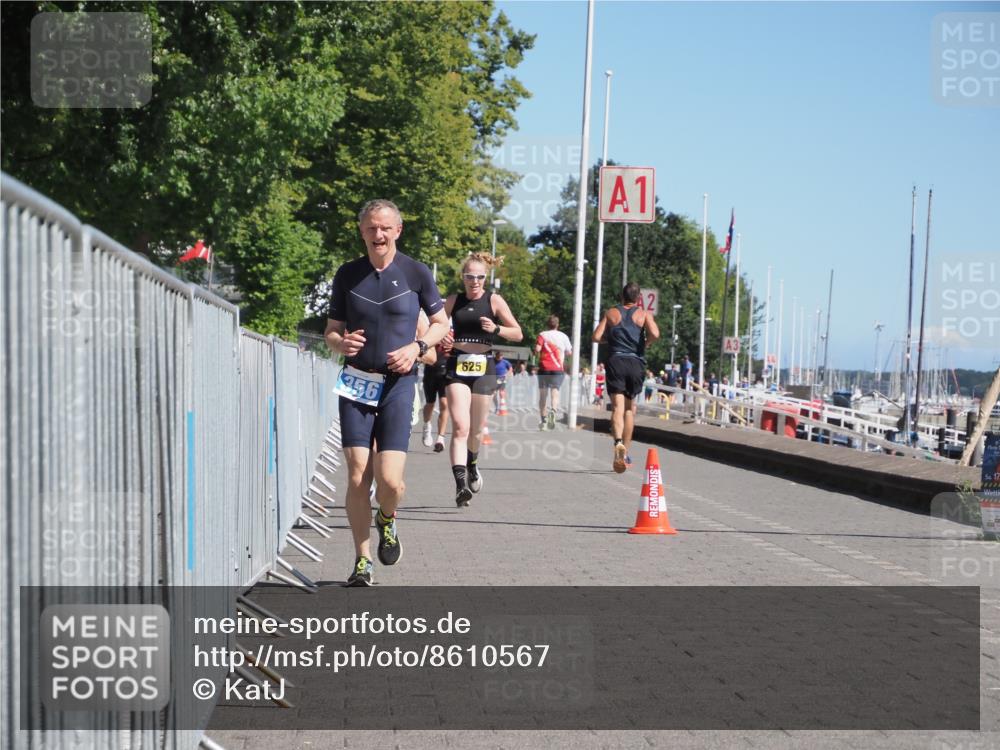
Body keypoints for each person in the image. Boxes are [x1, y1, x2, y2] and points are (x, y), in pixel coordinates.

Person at [325, 199, 449, 587]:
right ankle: (362, 561)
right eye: (370, 228)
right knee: (358, 473)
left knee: (391, 482)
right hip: (357, 382)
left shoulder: (416, 272)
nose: (378, 235)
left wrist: (418, 347)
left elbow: (440, 323)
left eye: (385, 228)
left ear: (398, 230)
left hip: (399, 384)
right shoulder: (348, 274)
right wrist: (338, 344)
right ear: (361, 232)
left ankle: (387, 518)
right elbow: (331, 330)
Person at [442, 253, 523, 507]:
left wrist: (496, 329)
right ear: (463, 277)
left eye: (478, 277)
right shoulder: (454, 300)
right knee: (460, 427)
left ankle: (473, 463)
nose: (474, 281)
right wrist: (442, 336)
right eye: (469, 276)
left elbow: (518, 333)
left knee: (476, 430)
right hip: (457, 366)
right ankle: (460, 485)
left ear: (485, 278)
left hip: (484, 368)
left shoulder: (494, 300)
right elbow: (435, 326)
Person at [592, 282, 660, 473]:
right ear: (639, 298)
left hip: (616, 361)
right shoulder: (644, 314)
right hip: (635, 362)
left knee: (616, 408)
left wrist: (610, 339)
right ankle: (626, 452)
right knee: (630, 410)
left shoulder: (611, 313)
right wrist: (645, 343)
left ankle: (618, 443)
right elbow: (655, 333)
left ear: (622, 297)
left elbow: (596, 337)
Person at [535, 315, 572, 430]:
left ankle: (543, 421)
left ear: (547, 324)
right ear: (557, 325)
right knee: (555, 392)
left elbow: (537, 349)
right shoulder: (564, 336)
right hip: (557, 368)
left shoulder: (542, 335)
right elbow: (569, 352)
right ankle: (553, 411)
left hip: (544, 368)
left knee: (543, 395)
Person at [420, 332, 450, 454]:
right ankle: (427, 425)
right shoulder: (432, 326)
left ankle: (440, 438)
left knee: (444, 403)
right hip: (431, 371)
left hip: (447, 372)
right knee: (430, 403)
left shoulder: (455, 327)